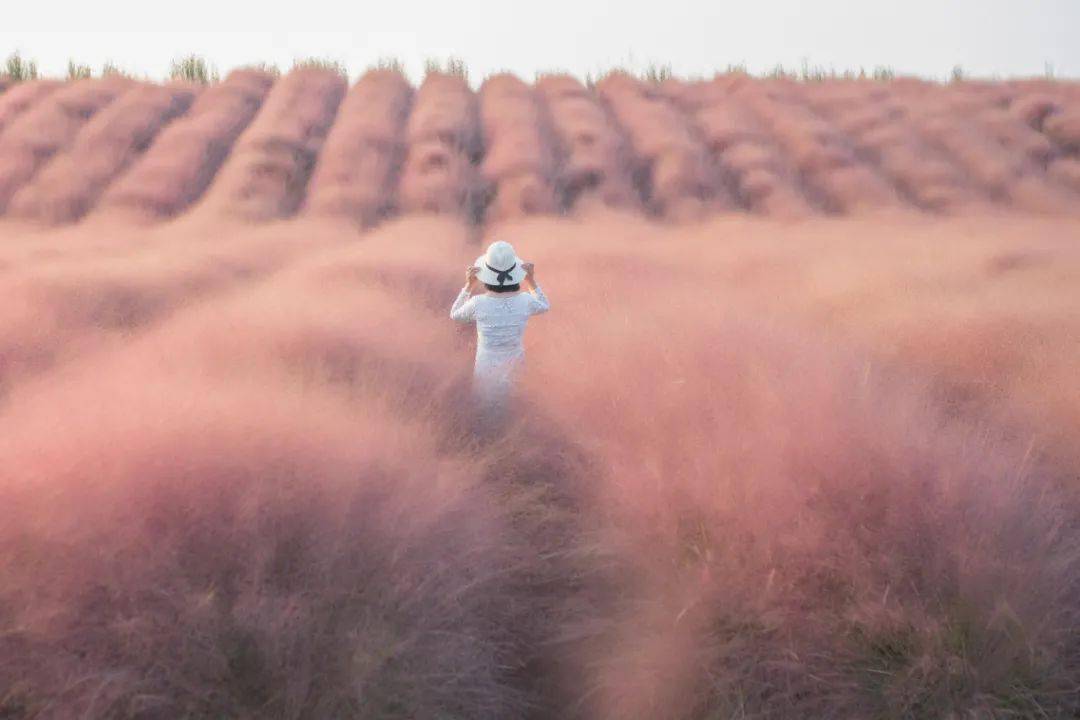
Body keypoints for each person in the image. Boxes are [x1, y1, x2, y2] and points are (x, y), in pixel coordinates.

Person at [450, 240, 549, 408]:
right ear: (516, 273)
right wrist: (531, 280)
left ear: (486, 276)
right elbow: (544, 305)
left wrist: (468, 285)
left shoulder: (478, 303)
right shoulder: (525, 301)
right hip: (516, 366)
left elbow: (455, 314)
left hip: (485, 369)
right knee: (516, 407)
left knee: (486, 409)